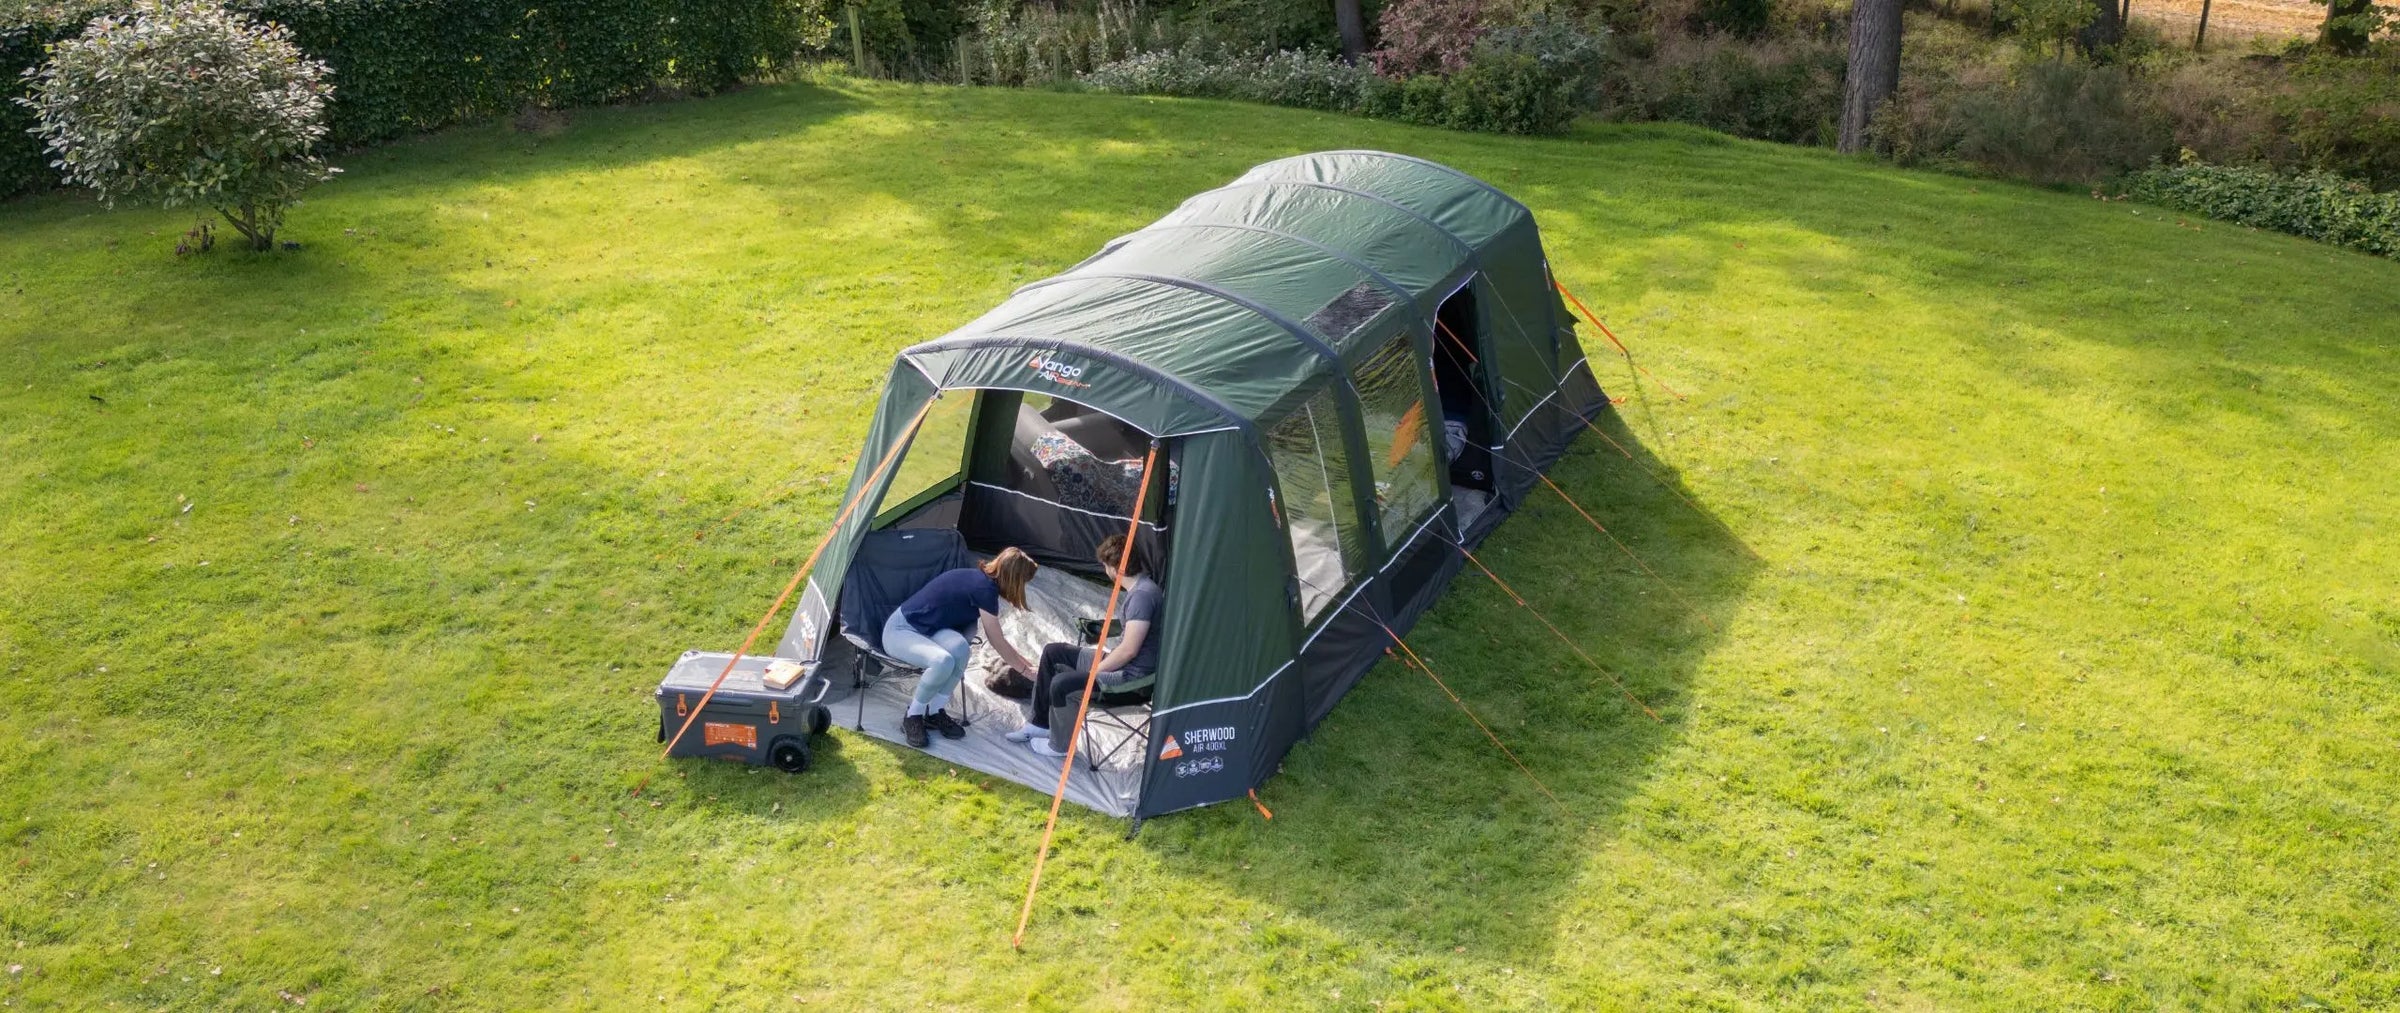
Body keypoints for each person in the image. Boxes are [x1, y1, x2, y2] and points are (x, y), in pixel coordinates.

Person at [1006, 534, 1162, 758]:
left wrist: (1095, 672)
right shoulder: (1142, 589)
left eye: (1105, 565)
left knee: (1062, 685)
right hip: (1126, 664)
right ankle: (1040, 724)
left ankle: (1059, 746)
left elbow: (1129, 650)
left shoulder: (1142, 598)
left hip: (1132, 680)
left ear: (1116, 568)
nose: (1104, 570)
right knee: (1053, 652)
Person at [882, 547, 1040, 749]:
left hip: (930, 629)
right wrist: (1026, 671)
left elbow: (997, 640)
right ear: (1015, 578)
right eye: (1023, 583)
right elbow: (997, 640)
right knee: (942, 661)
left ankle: (934, 712)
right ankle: (913, 715)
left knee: (961, 650)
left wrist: (1030, 667)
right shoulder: (983, 589)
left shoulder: (982, 581)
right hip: (901, 630)